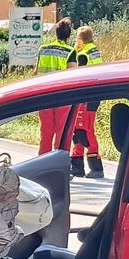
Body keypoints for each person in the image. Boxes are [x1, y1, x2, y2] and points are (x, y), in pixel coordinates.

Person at [34, 18, 76, 154]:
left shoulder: (43, 49)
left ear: (56, 34)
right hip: (63, 97)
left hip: (44, 96)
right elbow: (74, 75)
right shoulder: (70, 51)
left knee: (46, 132)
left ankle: (42, 162)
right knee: (62, 132)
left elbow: (36, 73)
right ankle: (59, 163)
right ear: (69, 35)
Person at [71, 25, 105, 178]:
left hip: (86, 97)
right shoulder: (94, 50)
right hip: (94, 95)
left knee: (86, 130)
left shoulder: (83, 54)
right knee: (78, 131)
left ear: (80, 39)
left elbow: (80, 77)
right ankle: (77, 166)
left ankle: (96, 165)